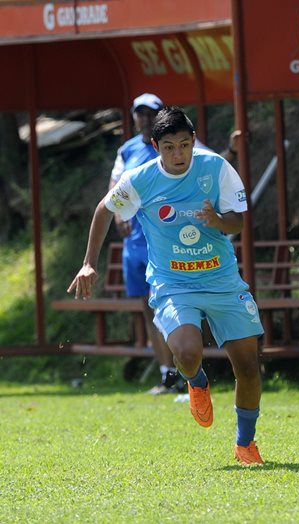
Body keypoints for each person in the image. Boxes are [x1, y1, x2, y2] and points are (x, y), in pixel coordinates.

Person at [69, 106, 265, 465]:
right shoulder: (140, 179)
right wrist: (87, 264)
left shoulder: (216, 168)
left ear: (194, 142)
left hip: (222, 279)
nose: (179, 155)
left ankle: (245, 444)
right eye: (170, 147)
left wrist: (217, 221)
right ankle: (197, 381)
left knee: (249, 367)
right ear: (156, 146)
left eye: (185, 145)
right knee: (188, 352)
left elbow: (238, 223)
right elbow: (103, 210)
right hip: (173, 282)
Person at [109, 93, 242, 395]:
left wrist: (232, 151)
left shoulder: (179, 146)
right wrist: (117, 214)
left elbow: (212, 162)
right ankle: (166, 371)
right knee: (149, 309)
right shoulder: (127, 151)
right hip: (136, 244)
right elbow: (113, 188)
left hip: (178, 246)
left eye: (150, 114)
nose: (144, 119)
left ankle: (188, 370)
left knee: (182, 310)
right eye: (139, 114)